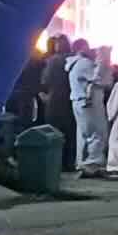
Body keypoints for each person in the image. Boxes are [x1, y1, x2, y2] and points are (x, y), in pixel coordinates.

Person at [67, 39, 108, 177]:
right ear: (81, 48)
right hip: (88, 103)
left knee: (84, 134)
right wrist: (103, 61)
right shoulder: (84, 63)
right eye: (87, 47)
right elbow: (101, 79)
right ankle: (91, 165)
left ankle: (83, 163)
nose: (91, 50)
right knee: (97, 133)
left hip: (79, 101)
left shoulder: (74, 64)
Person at [41, 35, 76, 172]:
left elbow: (45, 80)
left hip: (54, 100)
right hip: (70, 100)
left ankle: (56, 163)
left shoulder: (52, 61)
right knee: (70, 133)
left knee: (54, 132)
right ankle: (69, 163)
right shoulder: (74, 59)